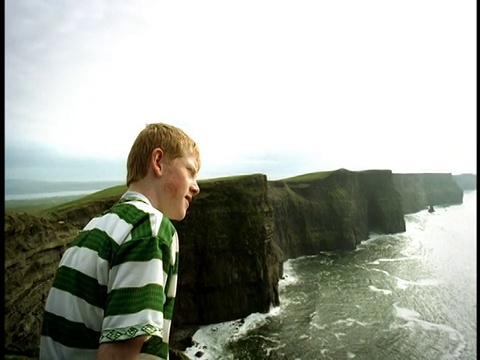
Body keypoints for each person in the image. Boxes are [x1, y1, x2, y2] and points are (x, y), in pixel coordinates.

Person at [39, 122, 201, 360]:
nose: (196, 187)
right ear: (158, 162)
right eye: (190, 171)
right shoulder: (150, 228)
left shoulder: (93, 229)